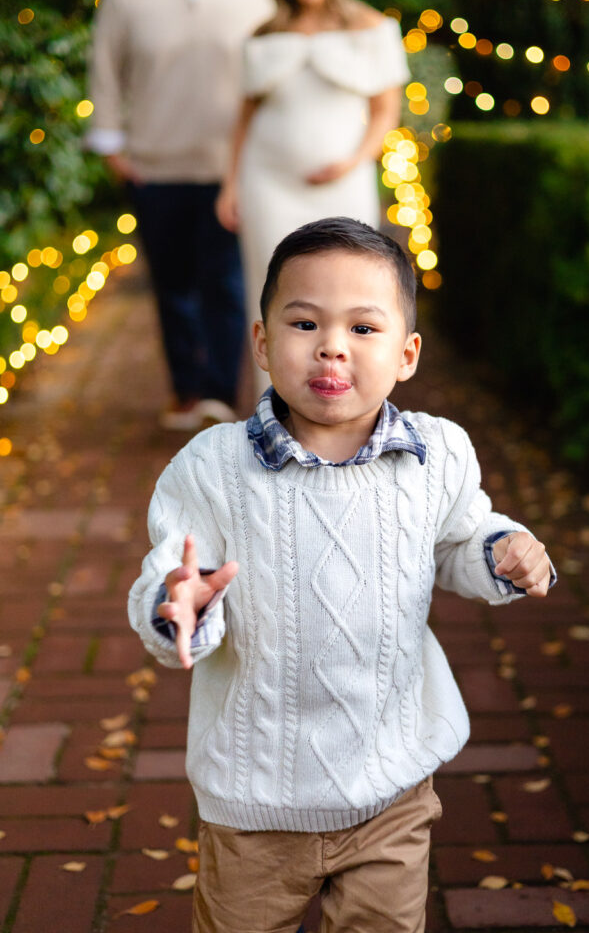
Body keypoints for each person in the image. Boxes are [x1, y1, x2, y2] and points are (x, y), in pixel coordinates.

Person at [128, 216, 555, 933]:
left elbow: (454, 540)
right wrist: (181, 603)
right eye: (304, 323)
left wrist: (500, 549)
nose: (331, 345)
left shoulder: (437, 456)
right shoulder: (212, 467)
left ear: (406, 354)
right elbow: (174, 568)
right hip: (255, 800)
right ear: (262, 343)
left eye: (363, 328)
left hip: (390, 785)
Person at [87, 0, 274, 430]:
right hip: (154, 166)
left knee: (225, 284)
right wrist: (112, 148)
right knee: (172, 287)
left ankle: (217, 394)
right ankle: (185, 393)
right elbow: (105, 68)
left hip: (229, 170)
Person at [215, 0, 410, 390]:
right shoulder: (264, 34)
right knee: (272, 293)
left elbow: (386, 110)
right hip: (268, 186)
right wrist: (230, 184)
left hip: (343, 183)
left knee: (350, 290)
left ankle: (351, 398)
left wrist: (352, 160)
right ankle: (273, 407)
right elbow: (244, 118)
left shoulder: (372, 27)